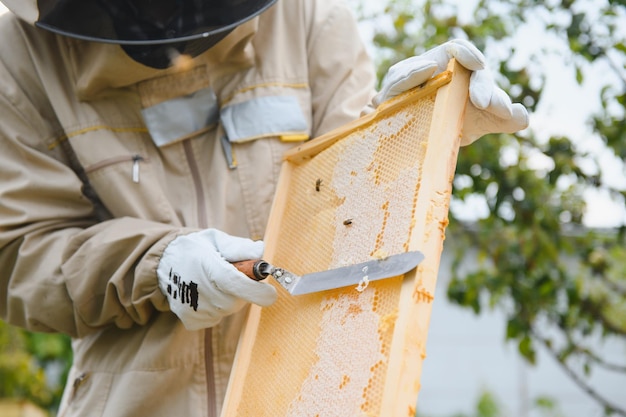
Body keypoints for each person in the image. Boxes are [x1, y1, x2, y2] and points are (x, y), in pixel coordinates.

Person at [0, 0, 528, 416]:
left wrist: (414, 134)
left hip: (313, 393)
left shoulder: (309, 19)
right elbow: (18, 254)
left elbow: (351, 220)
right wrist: (161, 267)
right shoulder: (18, 57)